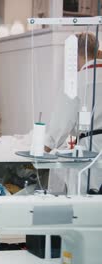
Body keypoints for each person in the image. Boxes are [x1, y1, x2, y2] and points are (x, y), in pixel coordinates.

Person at [45, 32, 102, 194]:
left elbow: (60, 126)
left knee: (86, 208)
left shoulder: (75, 82)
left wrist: (41, 150)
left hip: (91, 152)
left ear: (74, 54)